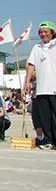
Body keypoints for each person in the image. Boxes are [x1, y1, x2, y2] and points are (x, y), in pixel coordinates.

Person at [25, 21, 56, 149]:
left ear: (52, 33)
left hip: (54, 87)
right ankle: (48, 140)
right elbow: (31, 64)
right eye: (41, 32)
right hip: (42, 88)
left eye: (46, 32)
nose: (43, 34)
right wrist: (27, 81)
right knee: (45, 117)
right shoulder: (37, 47)